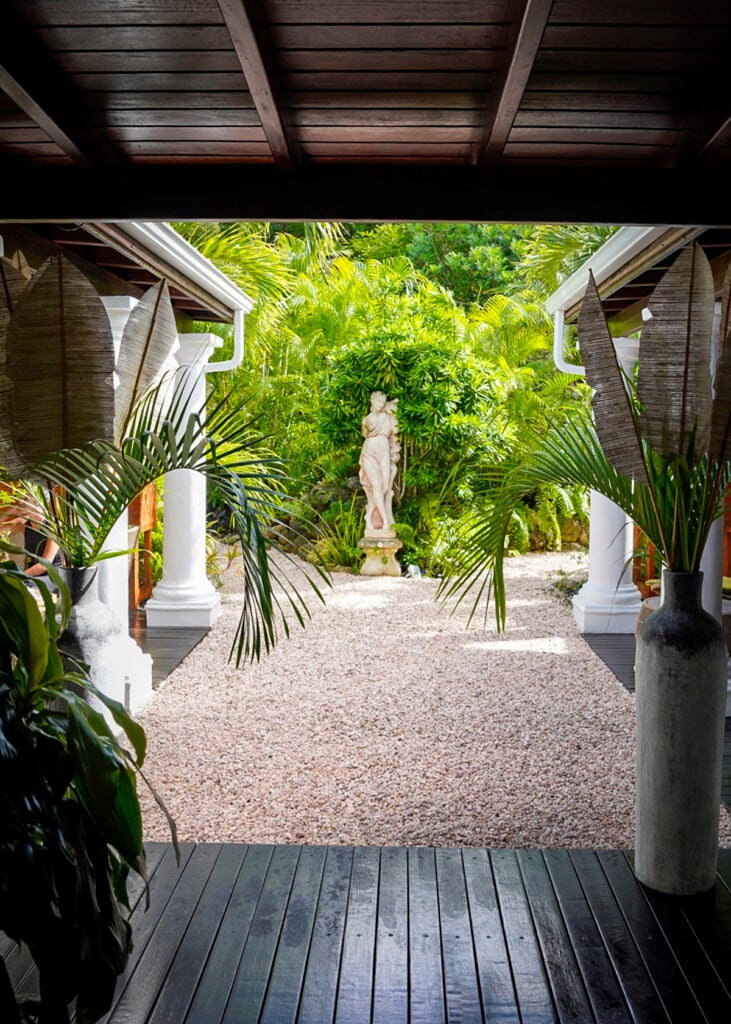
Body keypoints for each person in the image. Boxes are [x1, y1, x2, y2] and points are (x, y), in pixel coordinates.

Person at [359, 391, 400, 533]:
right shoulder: (367, 420)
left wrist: (389, 406)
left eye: (382, 402)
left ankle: (369, 516)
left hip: (383, 450)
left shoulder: (387, 417)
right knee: (376, 484)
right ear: (372, 401)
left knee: (384, 486)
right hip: (369, 451)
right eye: (378, 402)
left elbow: (396, 405)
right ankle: (385, 523)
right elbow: (365, 432)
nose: (380, 405)